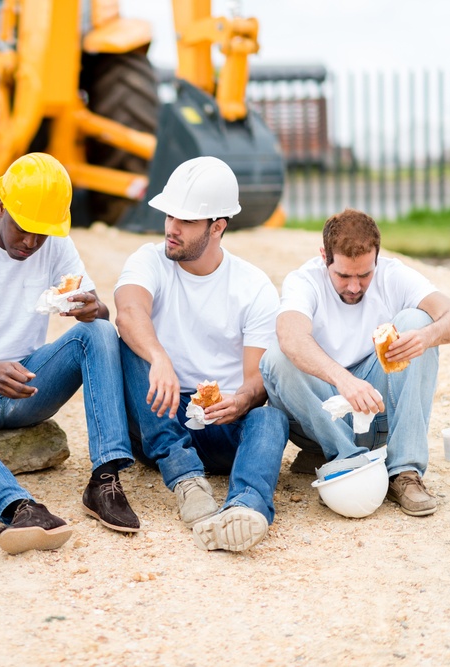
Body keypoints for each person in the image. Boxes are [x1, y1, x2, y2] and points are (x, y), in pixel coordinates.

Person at [0, 152, 138, 555]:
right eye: (24, 229)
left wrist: (92, 308)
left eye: (42, 234)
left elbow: (98, 309)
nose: (32, 243)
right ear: (1, 206)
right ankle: (19, 507)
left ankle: (105, 480)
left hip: (31, 385)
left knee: (100, 331)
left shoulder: (55, 243)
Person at [114, 156, 289, 553]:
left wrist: (241, 400)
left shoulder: (252, 286)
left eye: (187, 221)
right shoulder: (148, 259)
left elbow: (255, 378)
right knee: (125, 339)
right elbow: (128, 312)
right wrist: (159, 357)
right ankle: (185, 479)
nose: (172, 228)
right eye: (170, 215)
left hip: (223, 425)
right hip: (159, 415)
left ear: (218, 227)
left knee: (270, 417)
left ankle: (245, 509)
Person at [259, 208, 450, 516]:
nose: (355, 287)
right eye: (343, 275)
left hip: (377, 413)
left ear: (377, 257)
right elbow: (290, 337)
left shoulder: (393, 274)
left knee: (417, 320)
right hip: (321, 416)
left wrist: (427, 336)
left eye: (364, 275)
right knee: (277, 356)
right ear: (324, 256)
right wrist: (343, 380)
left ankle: (404, 472)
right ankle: (345, 461)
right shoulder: (303, 280)